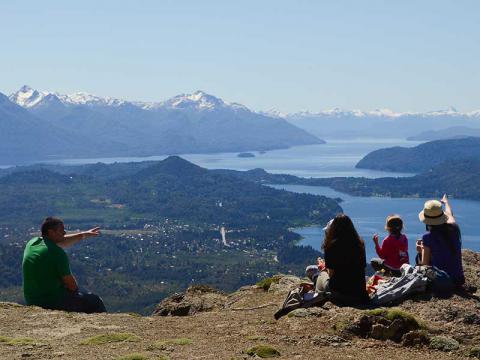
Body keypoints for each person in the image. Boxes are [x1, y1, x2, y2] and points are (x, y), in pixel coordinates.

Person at [22, 217, 107, 313]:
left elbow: (61, 241)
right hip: (50, 302)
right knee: (95, 301)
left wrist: (83, 235)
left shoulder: (32, 243)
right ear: (51, 232)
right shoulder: (57, 253)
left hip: (31, 300)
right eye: (61, 230)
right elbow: (72, 286)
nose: (65, 233)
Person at [315, 214, 369, 305]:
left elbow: (332, 274)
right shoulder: (359, 244)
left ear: (333, 229)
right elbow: (362, 268)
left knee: (321, 275)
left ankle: (319, 295)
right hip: (359, 294)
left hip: (340, 294)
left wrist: (323, 267)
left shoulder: (331, 246)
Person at [417, 194, 465, 286]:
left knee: (417, 261)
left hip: (442, 280)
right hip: (459, 279)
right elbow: (450, 214)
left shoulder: (427, 237)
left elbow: (425, 265)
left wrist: (421, 249)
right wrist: (446, 202)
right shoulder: (454, 229)